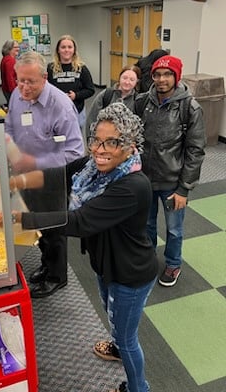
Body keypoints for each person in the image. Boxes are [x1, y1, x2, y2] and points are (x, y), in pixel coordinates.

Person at [10, 102, 158, 392]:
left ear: (129, 145)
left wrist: (21, 219)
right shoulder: (94, 168)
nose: (100, 150)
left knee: (128, 339)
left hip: (130, 273)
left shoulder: (133, 185)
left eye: (112, 142)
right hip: (106, 264)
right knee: (113, 317)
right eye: (96, 141)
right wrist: (19, 180)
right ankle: (117, 344)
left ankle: (138, 387)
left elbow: (81, 222)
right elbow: (59, 174)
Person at [5, 51, 84, 298]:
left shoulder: (60, 105)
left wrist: (35, 161)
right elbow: (9, 126)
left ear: (45, 78)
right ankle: (46, 264)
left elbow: (75, 152)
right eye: (20, 80)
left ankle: (57, 276)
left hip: (53, 176)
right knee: (37, 225)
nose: (24, 87)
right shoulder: (17, 97)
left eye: (31, 82)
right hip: (25, 174)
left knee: (53, 228)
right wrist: (10, 148)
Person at [134, 55, 206, 287]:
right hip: (144, 179)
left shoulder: (189, 107)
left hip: (172, 182)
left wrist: (184, 189)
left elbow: (195, 151)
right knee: (146, 225)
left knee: (173, 229)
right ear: (152, 76)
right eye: (157, 74)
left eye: (167, 74)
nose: (162, 79)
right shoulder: (143, 101)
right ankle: (148, 259)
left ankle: (173, 264)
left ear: (177, 76)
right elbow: (133, 135)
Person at [47, 34, 95, 129]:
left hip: (77, 110)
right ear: (58, 50)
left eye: (70, 47)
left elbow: (90, 90)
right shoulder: (51, 68)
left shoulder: (81, 68)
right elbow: (46, 89)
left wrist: (76, 95)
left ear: (74, 50)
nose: (66, 50)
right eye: (63, 47)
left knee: (76, 140)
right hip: (57, 111)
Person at [86, 64, 141, 132]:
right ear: (119, 78)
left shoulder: (138, 100)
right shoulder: (106, 95)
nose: (127, 82)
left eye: (132, 80)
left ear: (137, 82)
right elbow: (92, 119)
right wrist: (91, 140)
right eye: (124, 78)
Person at [0, 40, 19, 105]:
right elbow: (9, 78)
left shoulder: (6, 58)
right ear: (9, 49)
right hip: (11, 90)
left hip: (6, 89)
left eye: (18, 47)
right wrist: (15, 92)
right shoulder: (10, 60)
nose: (18, 49)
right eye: (15, 47)